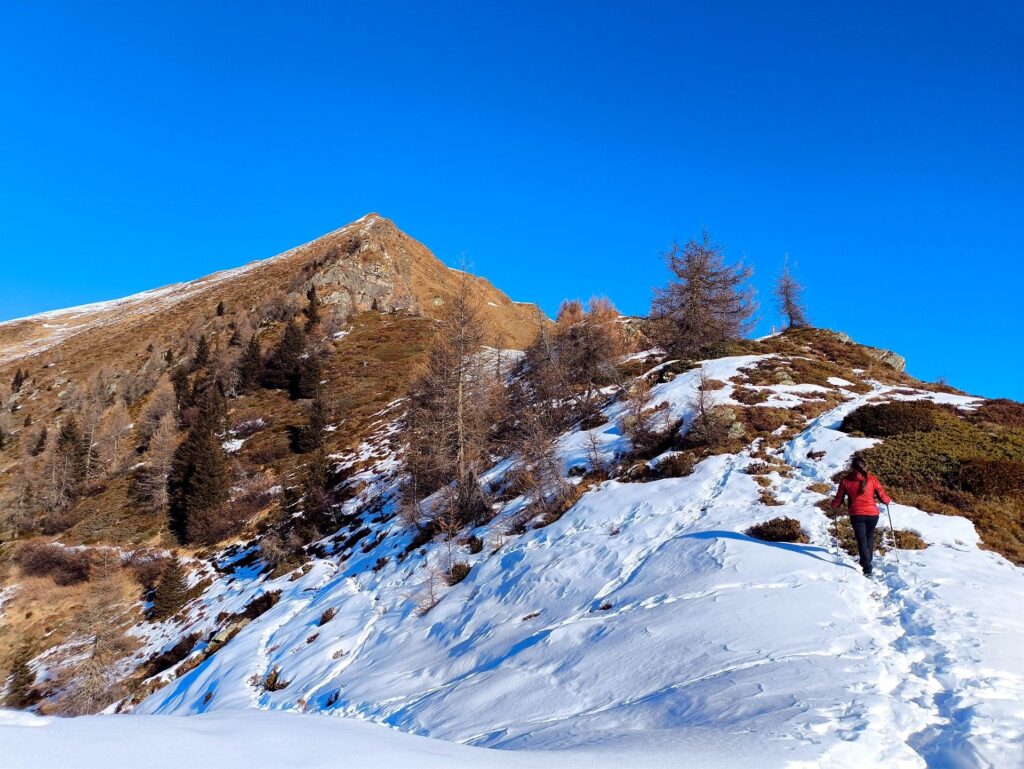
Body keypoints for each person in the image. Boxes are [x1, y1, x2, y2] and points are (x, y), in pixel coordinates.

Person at [830, 456, 892, 576]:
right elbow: (882, 495)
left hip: (857, 514)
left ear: (852, 467)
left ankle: (867, 567)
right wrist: (887, 500)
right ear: (865, 466)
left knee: (862, 540)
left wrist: (833, 505)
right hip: (873, 514)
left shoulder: (845, 480)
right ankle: (867, 561)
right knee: (868, 538)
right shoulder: (872, 479)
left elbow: (839, 499)